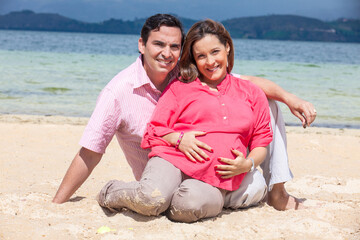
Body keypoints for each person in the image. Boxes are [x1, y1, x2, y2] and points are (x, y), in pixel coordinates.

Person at [52, 14, 317, 211]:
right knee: (156, 197)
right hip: (161, 169)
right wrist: (57, 202)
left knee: (269, 104)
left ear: (182, 50)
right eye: (158, 45)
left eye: (175, 47)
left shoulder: (187, 72)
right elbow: (90, 151)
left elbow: (245, 83)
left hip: (203, 174)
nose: (167, 54)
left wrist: (288, 98)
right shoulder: (118, 92)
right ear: (142, 45)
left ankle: (277, 189)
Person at [97, 19, 273, 222]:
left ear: (227, 47)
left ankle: (168, 199)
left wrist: (247, 164)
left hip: (214, 180)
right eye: (201, 56)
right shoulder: (181, 87)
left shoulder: (251, 92)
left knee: (187, 207)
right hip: (172, 160)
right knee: (150, 199)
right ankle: (110, 192)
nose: (210, 62)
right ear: (194, 59)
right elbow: (154, 130)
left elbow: (261, 142)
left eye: (215, 52)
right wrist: (179, 139)